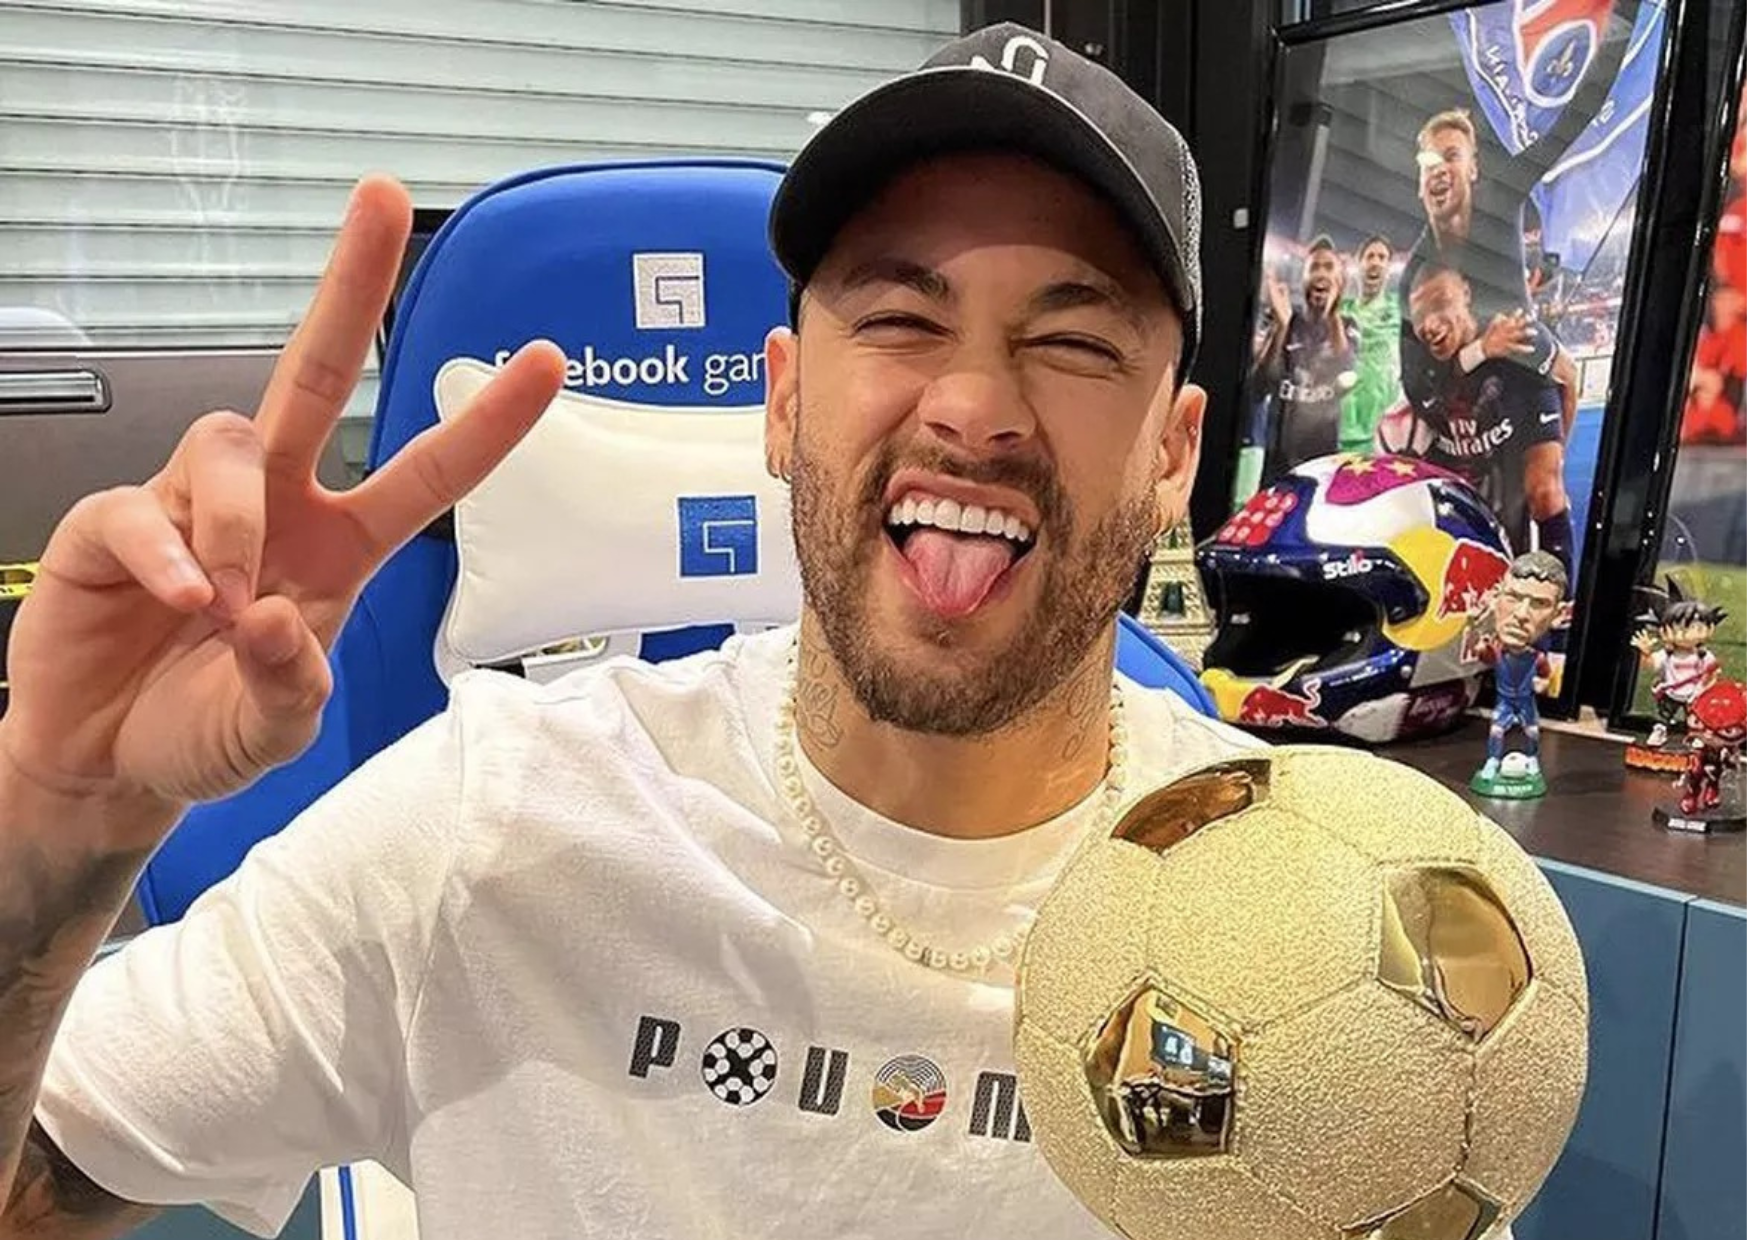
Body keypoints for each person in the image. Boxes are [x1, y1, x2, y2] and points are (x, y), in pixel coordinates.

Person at [0, 23, 1266, 1240]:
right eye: (899, 318)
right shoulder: (496, 824)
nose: (974, 404)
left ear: (1171, 453)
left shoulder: (1294, 901)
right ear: (781, 402)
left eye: (1071, 340)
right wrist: (58, 810)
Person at [1400, 109, 1582, 444]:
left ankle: (1558, 460)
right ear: (1419, 183)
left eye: (1451, 156)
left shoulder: (1500, 197)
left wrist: (1603, 72)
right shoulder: (1415, 278)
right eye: (1429, 162)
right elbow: (1417, 381)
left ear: (1473, 169)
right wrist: (1478, 351)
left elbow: (1563, 131)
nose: (1439, 168)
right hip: (1461, 367)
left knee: (1568, 374)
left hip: (1516, 339)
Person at [1398, 263, 1574, 578]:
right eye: (1420, 315)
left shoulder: (1516, 332)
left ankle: (1560, 595)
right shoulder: (1417, 361)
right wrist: (1480, 351)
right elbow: (1433, 389)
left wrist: (1559, 451)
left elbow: (1569, 373)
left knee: (1544, 493)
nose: (1430, 324)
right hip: (1460, 456)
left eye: (1440, 303)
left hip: (1512, 432)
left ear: (1466, 294)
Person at [1250, 234, 1357, 481]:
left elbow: (1346, 370)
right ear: (1304, 277)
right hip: (1276, 464)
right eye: (1314, 267)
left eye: (1329, 267)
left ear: (1340, 281)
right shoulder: (1285, 318)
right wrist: (1282, 326)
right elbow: (1259, 387)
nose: (1321, 273)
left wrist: (1332, 312)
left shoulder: (1348, 326)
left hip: (1321, 466)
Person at [1465, 550, 1570, 794]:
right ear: (1496, 597)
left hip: (1524, 701)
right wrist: (1472, 625)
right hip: (1504, 701)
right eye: (1513, 597)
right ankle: (1493, 761)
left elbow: (1545, 676)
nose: (1521, 614)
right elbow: (1477, 650)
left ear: (1558, 615)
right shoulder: (1496, 652)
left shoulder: (1537, 658)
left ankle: (1532, 760)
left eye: (1539, 604)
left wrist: (1542, 684)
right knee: (1496, 730)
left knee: (1531, 732)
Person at [1338, 233, 1403, 455]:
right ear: (1359, 264)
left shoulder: (1400, 310)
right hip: (1343, 425)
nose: (1375, 262)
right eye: (1370, 256)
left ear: (1389, 268)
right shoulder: (1341, 311)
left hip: (1382, 428)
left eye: (1382, 257)